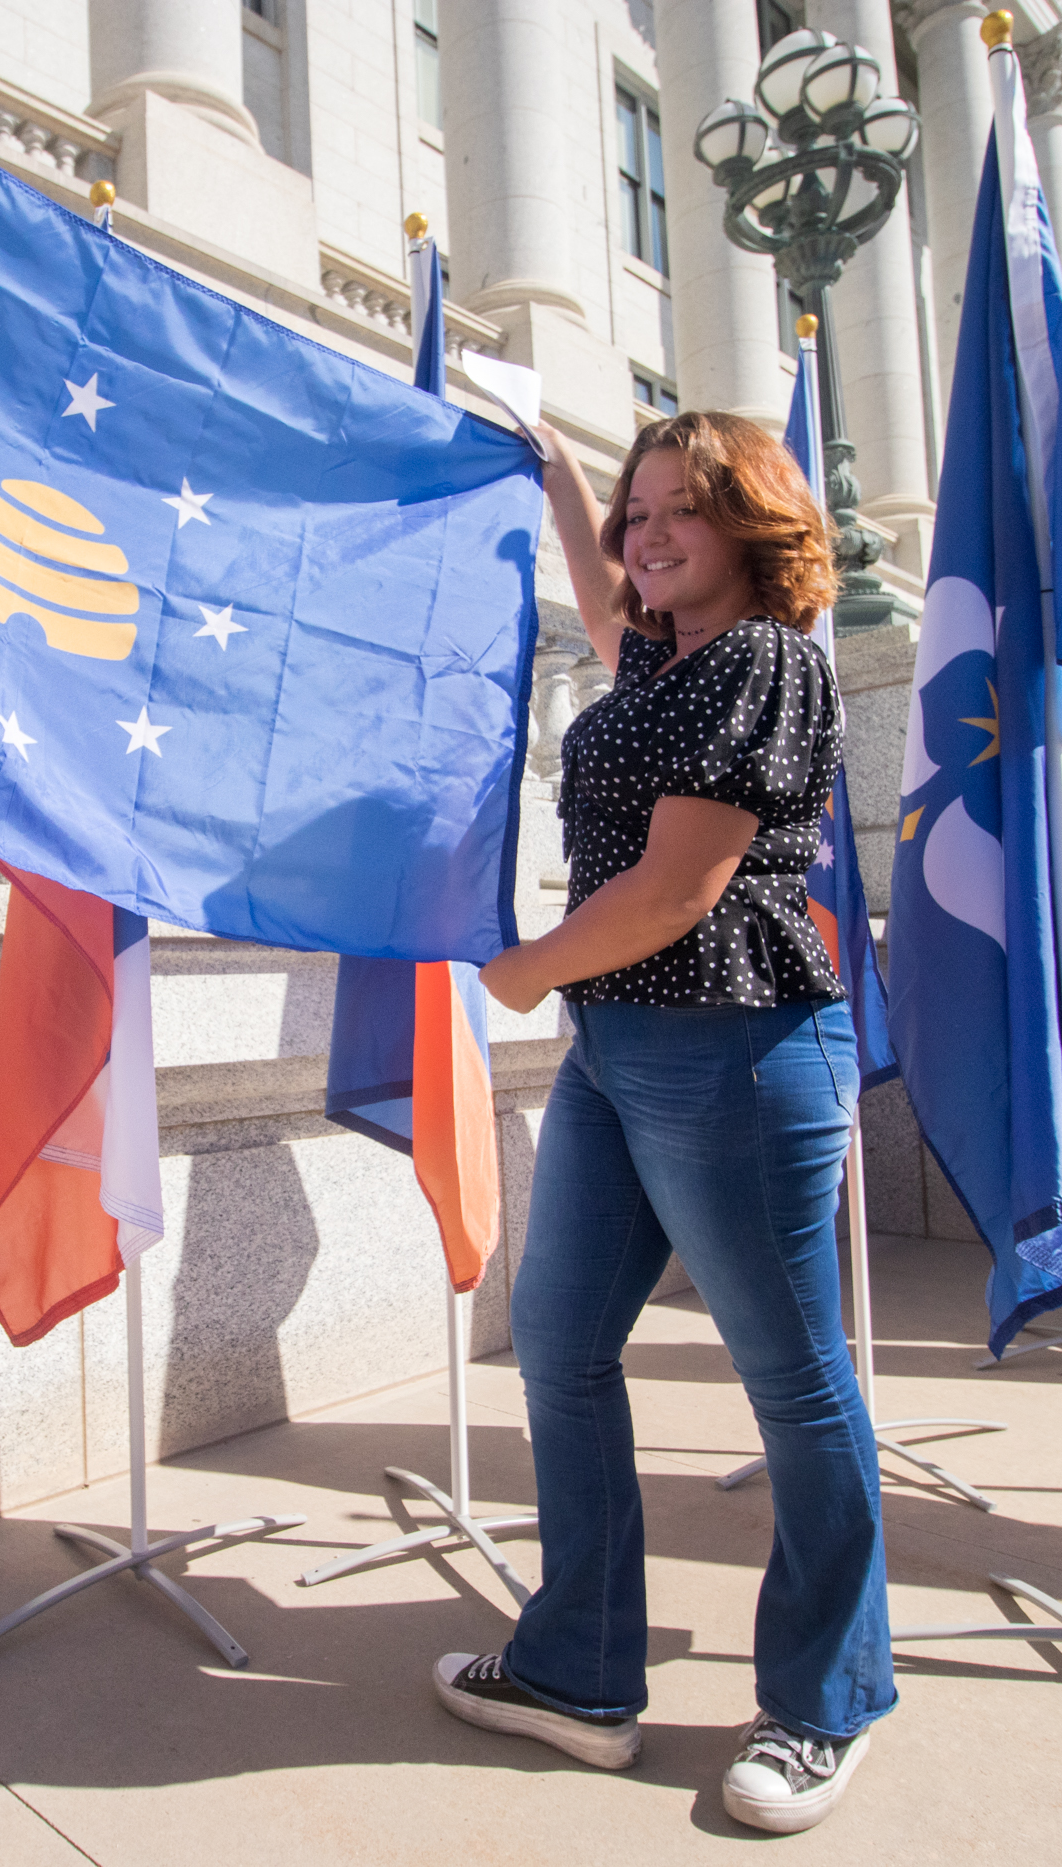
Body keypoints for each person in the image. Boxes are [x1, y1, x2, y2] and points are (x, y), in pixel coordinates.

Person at [430, 410, 892, 1835]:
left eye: (680, 510)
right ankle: (579, 1672)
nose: (648, 537)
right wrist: (555, 464)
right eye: (640, 515)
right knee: (560, 1349)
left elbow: (679, 890)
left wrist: (515, 971)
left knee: (792, 1379)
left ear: (752, 520)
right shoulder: (658, 655)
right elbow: (594, 583)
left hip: (736, 1052)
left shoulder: (766, 661)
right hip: (619, 1051)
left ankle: (826, 1703)